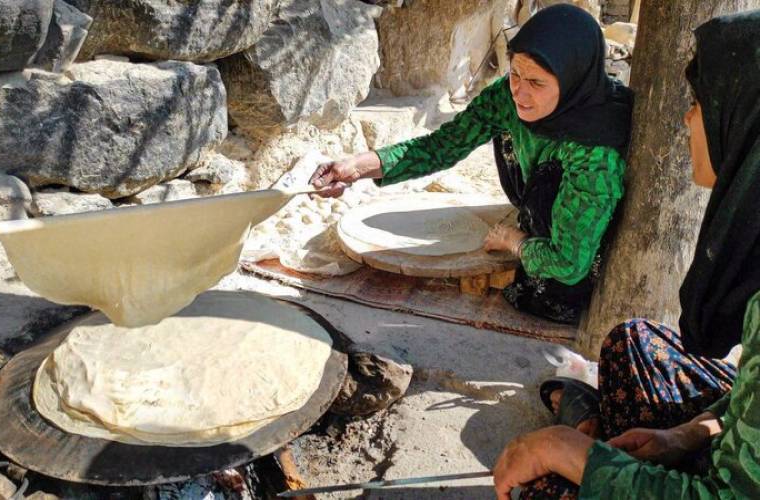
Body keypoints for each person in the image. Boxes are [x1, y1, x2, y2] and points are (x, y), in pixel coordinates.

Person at [492, 10, 760, 499]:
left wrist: (561, 451)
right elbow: (748, 393)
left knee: (543, 488)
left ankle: (590, 424)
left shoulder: (594, 158)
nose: (687, 118)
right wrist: (688, 434)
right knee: (634, 341)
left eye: (700, 104)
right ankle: (599, 422)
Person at [309, 4, 633, 324]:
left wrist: (514, 241)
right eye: (515, 74)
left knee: (558, 279)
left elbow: (569, 264)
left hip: (574, 247)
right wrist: (358, 167)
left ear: (573, 80)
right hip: (534, 195)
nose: (520, 92)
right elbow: (444, 145)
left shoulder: (595, 154)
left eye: (536, 83)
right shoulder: (506, 98)